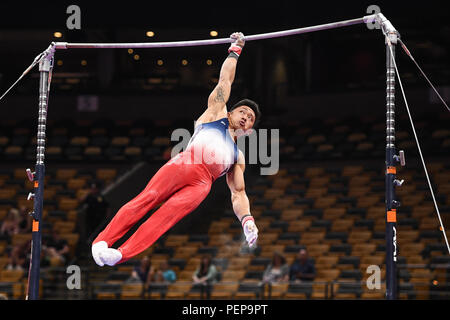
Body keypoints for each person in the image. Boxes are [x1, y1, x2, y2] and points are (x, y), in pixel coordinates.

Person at [91, 32, 261, 267]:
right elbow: (225, 81)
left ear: (250, 129)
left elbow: (238, 193)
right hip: (185, 163)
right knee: (147, 199)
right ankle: (102, 241)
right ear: (231, 112)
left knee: (165, 218)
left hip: (202, 185)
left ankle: (122, 253)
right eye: (243, 111)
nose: (245, 117)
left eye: (250, 118)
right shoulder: (216, 112)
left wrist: (247, 220)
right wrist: (235, 50)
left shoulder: (237, 156)